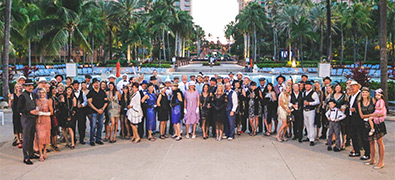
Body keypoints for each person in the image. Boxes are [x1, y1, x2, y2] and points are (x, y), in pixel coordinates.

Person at [17, 79, 39, 165]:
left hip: (33, 118)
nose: (30, 87)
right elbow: (19, 109)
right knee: (26, 138)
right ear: (25, 86)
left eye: (31, 85)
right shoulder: (22, 96)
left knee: (32, 137)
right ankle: (25, 157)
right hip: (26, 118)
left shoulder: (33, 94)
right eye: (28, 85)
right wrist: (29, 112)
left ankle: (31, 153)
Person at [366, 89, 387, 169]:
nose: (376, 96)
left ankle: (381, 162)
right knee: (371, 141)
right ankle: (372, 159)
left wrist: (377, 113)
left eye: (378, 94)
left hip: (379, 123)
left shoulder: (381, 102)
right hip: (374, 121)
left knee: (379, 142)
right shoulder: (373, 101)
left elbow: (381, 112)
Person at [87, 78, 108, 146]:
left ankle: (98, 139)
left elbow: (106, 101)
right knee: (93, 126)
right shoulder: (91, 92)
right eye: (95, 83)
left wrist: (102, 109)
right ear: (93, 84)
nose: (96, 84)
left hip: (101, 111)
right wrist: (97, 110)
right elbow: (89, 103)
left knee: (100, 125)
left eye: (97, 82)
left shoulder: (102, 92)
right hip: (94, 111)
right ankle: (92, 140)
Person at [357, 87, 375, 161]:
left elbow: (376, 111)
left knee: (372, 139)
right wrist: (371, 115)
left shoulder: (372, 100)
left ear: (368, 93)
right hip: (363, 122)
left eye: (366, 92)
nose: (364, 94)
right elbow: (361, 115)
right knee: (364, 138)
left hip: (372, 122)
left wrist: (372, 115)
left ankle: (372, 155)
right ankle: (366, 153)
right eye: (363, 92)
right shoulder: (359, 102)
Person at [35, 88, 53, 161]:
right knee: (39, 137)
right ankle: (40, 153)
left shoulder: (48, 101)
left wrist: (43, 113)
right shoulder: (36, 101)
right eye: (40, 93)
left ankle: (45, 150)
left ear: (45, 93)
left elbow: (51, 112)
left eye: (43, 93)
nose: (41, 94)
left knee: (46, 137)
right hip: (39, 121)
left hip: (46, 121)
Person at [303, 80, 320, 146]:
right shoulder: (304, 92)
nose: (307, 86)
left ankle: (312, 139)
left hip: (311, 111)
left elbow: (317, 101)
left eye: (308, 85)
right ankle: (308, 136)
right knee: (306, 124)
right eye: (306, 85)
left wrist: (309, 103)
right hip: (305, 110)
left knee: (311, 124)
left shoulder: (314, 93)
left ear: (311, 86)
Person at [72, 80, 88, 145]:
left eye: (77, 85)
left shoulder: (82, 93)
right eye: (75, 85)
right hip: (73, 111)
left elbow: (85, 101)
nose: (76, 86)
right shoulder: (71, 93)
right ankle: (74, 139)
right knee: (73, 125)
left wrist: (82, 105)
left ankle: (82, 139)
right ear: (73, 86)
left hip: (81, 111)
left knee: (81, 125)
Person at [9, 83, 23, 148]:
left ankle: (21, 138)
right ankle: (17, 139)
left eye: (19, 86)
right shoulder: (13, 95)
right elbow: (10, 105)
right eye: (17, 87)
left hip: (22, 112)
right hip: (15, 112)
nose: (18, 88)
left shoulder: (23, 95)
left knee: (22, 125)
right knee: (16, 125)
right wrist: (10, 99)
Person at [48, 86, 60, 152]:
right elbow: (51, 108)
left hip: (57, 114)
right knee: (54, 130)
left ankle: (55, 144)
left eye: (55, 89)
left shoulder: (56, 97)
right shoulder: (51, 98)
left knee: (56, 130)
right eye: (53, 89)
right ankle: (54, 144)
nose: (55, 90)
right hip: (53, 115)